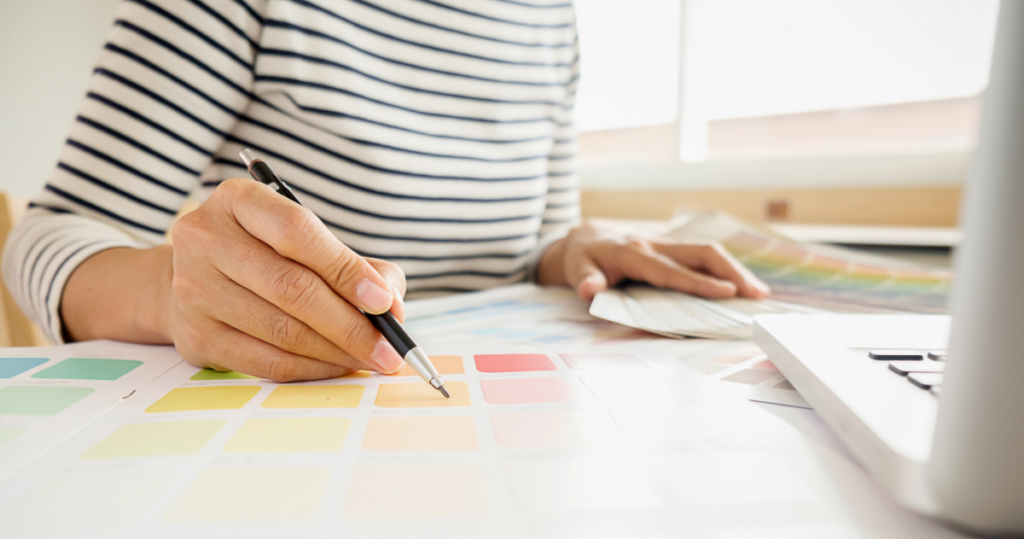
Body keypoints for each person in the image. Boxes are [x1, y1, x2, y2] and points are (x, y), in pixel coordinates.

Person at [2, 0, 769, 381]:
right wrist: (171, 291)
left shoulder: (551, 17)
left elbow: (529, 244)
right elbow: (45, 239)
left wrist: (572, 250)